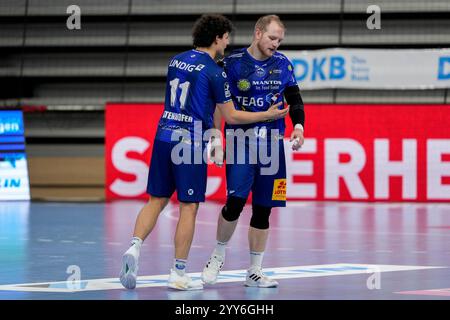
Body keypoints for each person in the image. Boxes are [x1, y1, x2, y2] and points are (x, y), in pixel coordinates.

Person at [119, 14, 289, 291]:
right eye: (226, 37)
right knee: (188, 207)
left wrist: (216, 136)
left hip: (163, 136)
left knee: (156, 200)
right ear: (217, 38)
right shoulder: (214, 71)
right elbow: (231, 116)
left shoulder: (175, 60)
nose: (228, 42)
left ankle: (134, 247)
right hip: (189, 142)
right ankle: (178, 272)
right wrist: (266, 114)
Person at [202, 15, 306, 288]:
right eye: (272, 38)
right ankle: (218, 254)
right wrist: (214, 138)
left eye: (280, 40)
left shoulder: (283, 64)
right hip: (240, 142)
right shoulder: (232, 64)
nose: (276, 44)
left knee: (263, 209)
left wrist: (298, 126)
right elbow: (217, 104)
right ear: (258, 33)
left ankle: (255, 271)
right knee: (234, 203)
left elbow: (294, 97)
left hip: (272, 145)